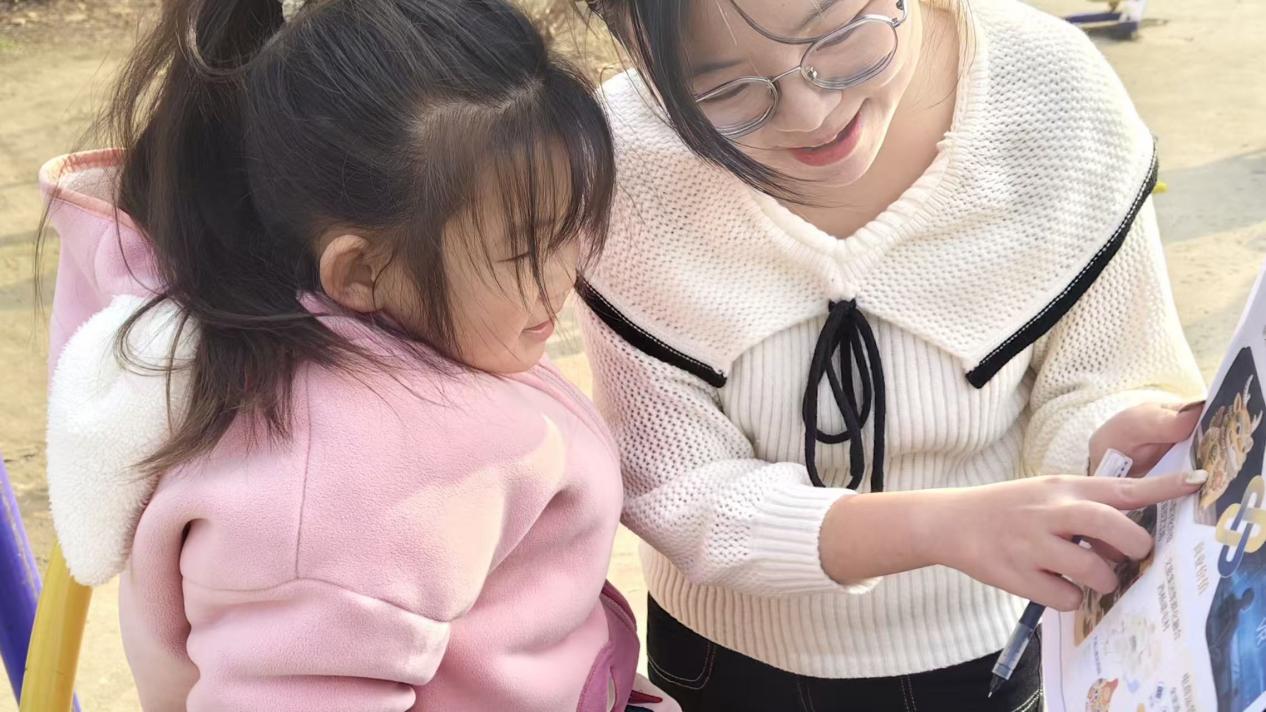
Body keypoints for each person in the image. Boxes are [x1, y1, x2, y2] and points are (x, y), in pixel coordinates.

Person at [38, 1, 676, 709]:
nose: (565, 271)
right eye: (526, 248)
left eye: (571, 227)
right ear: (360, 271)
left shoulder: (413, 332)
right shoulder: (345, 489)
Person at [579, 0, 1208, 708]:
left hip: (1002, 642)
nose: (810, 114)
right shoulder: (620, 157)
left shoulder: (1051, 91)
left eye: (842, 36)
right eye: (722, 87)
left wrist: (1111, 437)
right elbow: (678, 491)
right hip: (731, 659)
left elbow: (1105, 376)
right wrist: (938, 528)